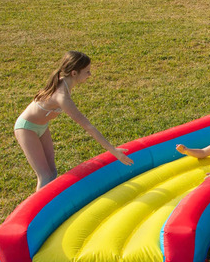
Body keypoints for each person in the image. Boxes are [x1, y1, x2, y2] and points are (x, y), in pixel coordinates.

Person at [14, 51, 133, 190]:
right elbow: (88, 127)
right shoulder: (62, 96)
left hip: (42, 126)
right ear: (74, 73)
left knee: (52, 173)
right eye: (87, 71)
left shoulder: (64, 82)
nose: (90, 75)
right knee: (45, 175)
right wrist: (113, 151)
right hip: (26, 128)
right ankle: (40, 210)